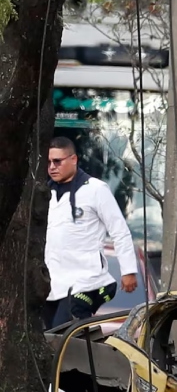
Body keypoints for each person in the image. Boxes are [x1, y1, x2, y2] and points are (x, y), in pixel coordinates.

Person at [43, 137, 138, 330]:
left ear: (74, 159)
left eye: (57, 161)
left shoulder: (96, 189)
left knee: (64, 331)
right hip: (51, 282)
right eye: (49, 162)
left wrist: (128, 270)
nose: (52, 167)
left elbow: (119, 231)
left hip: (86, 280)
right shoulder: (45, 193)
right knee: (47, 336)